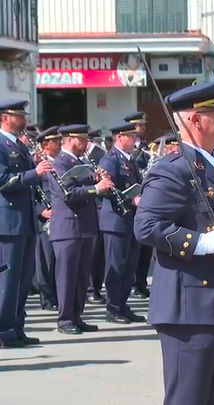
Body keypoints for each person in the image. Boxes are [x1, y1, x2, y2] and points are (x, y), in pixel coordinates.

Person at [133, 79, 214, 405]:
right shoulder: (173, 170)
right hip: (192, 312)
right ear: (196, 120)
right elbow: (146, 226)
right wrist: (198, 243)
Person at [49, 124, 113, 334]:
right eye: (81, 140)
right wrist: (96, 188)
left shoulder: (80, 162)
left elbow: (88, 190)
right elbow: (68, 194)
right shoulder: (59, 163)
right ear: (69, 140)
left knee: (81, 276)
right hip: (68, 228)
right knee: (67, 277)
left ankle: (77, 316)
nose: (85, 144)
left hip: (85, 227)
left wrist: (99, 182)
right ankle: (65, 319)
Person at [0, 99, 53, 347]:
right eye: (19, 115)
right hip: (9, 221)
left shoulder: (18, 144)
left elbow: (29, 181)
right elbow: (3, 181)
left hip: (26, 220)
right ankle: (4, 331)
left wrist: (35, 166)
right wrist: (35, 172)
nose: (24, 119)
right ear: (5, 118)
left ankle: (17, 327)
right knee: (8, 281)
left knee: (22, 280)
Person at [99, 123, 145, 323]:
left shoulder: (130, 159)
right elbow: (108, 189)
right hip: (116, 220)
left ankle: (123, 305)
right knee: (116, 266)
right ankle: (113, 308)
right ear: (119, 137)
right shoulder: (110, 159)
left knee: (129, 266)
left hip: (131, 220)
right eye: (131, 136)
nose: (135, 140)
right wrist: (131, 200)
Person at [33, 126, 61, 312]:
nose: (59, 144)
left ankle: (59, 296)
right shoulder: (36, 164)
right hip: (45, 218)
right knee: (46, 260)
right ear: (46, 144)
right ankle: (47, 298)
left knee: (58, 260)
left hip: (60, 216)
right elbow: (31, 191)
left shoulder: (60, 163)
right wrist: (41, 210)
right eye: (56, 141)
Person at [124, 112, 153, 298]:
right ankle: (135, 284)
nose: (143, 128)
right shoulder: (130, 152)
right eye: (140, 126)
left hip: (143, 202)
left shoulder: (143, 146)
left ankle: (141, 282)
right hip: (131, 205)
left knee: (144, 249)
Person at [84, 128, 107, 305]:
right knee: (92, 254)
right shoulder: (89, 156)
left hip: (97, 207)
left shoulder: (97, 154)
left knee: (98, 254)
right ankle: (92, 288)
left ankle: (95, 287)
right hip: (91, 207)